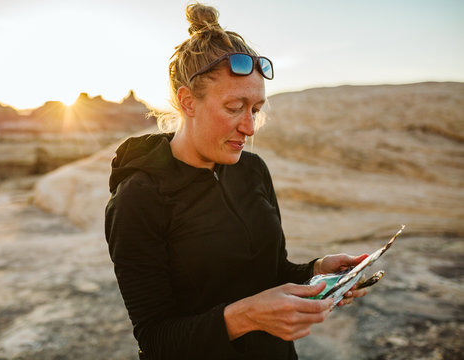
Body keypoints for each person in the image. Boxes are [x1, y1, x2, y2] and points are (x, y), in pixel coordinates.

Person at [105, 3, 368, 359]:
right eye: (234, 108)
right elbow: (155, 336)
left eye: (255, 110)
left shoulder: (253, 169)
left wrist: (317, 272)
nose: (248, 127)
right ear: (188, 102)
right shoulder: (138, 197)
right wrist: (244, 316)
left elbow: (272, 270)